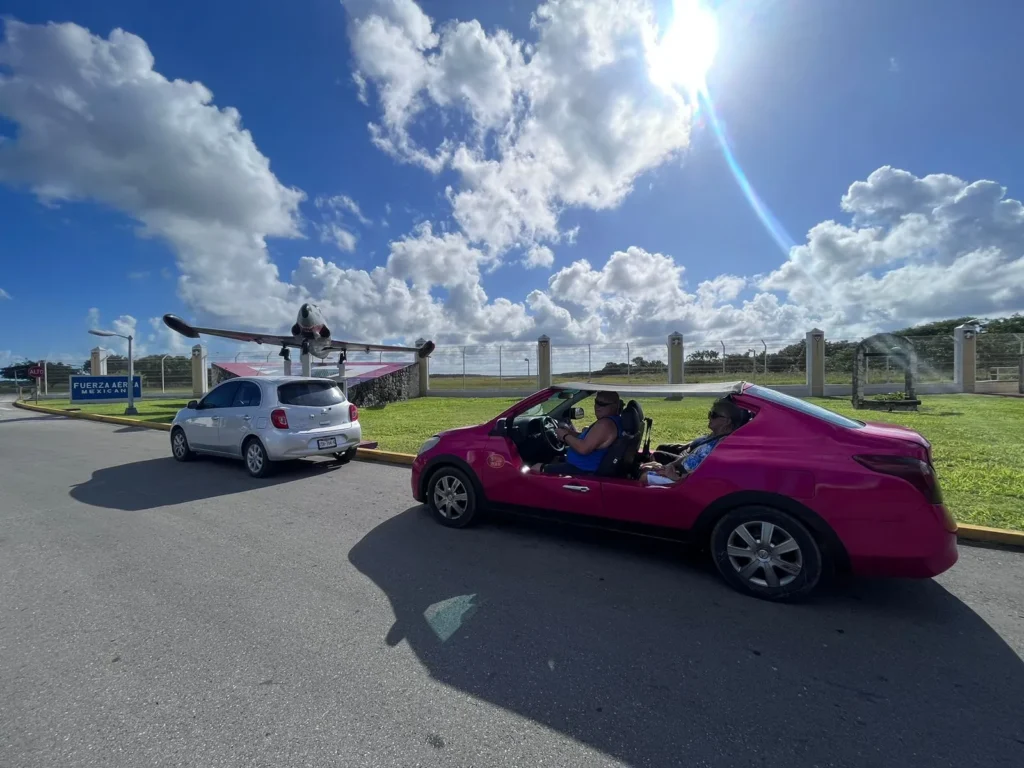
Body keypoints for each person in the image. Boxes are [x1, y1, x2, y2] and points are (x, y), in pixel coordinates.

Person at [639, 397, 746, 486]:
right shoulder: (714, 438)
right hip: (681, 474)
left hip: (686, 482)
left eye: (714, 415)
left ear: (727, 421)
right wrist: (668, 466)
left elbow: (705, 471)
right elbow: (690, 457)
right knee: (644, 468)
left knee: (642, 476)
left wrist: (676, 477)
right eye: (710, 413)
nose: (709, 417)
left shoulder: (723, 443)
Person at [532, 391, 624, 475]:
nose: (597, 407)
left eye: (603, 404)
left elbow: (583, 448)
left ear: (615, 406)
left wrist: (564, 436)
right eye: (597, 402)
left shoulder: (605, 425)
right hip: (579, 465)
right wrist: (570, 433)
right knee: (554, 458)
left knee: (536, 468)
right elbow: (589, 439)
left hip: (581, 470)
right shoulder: (611, 421)